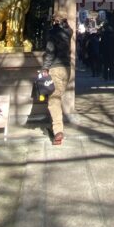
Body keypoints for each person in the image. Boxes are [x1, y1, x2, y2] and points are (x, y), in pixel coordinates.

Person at [42, 11, 73, 145]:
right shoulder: (68, 32)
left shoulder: (53, 33)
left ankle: (58, 130)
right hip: (66, 68)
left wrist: (45, 68)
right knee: (57, 97)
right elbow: (67, 27)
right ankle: (55, 124)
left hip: (55, 68)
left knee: (53, 100)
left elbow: (50, 51)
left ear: (55, 20)